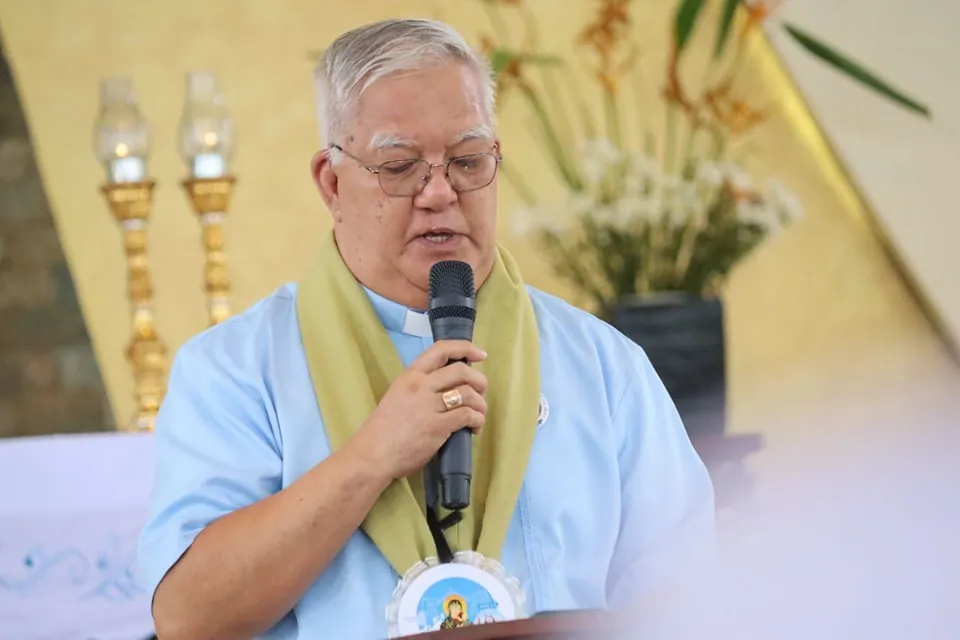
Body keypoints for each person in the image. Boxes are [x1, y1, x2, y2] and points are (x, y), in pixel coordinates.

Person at [138, 18, 715, 640]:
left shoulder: (604, 366)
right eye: (399, 166)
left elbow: (690, 606)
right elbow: (189, 618)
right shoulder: (235, 369)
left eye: (468, 161)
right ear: (332, 183)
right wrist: (372, 456)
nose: (440, 193)